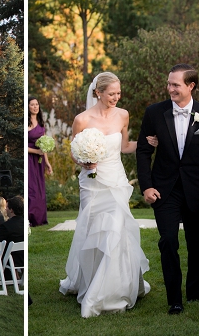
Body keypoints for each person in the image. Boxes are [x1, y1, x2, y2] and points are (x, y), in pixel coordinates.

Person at [60, 71, 152, 318]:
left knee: (117, 230)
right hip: (91, 183)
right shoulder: (82, 119)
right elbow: (73, 152)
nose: (116, 97)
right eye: (111, 93)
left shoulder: (123, 115)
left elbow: (124, 147)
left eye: (118, 93)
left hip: (116, 180)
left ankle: (114, 288)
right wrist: (84, 162)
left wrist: (149, 142)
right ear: (98, 92)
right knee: (93, 231)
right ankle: (91, 281)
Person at [137, 65, 199, 315]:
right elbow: (143, 151)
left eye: (176, 84)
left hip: (197, 190)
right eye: (169, 84)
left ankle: (195, 293)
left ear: (191, 86)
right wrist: (147, 186)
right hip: (164, 190)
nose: (170, 88)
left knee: (197, 244)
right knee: (168, 241)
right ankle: (174, 299)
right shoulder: (154, 113)